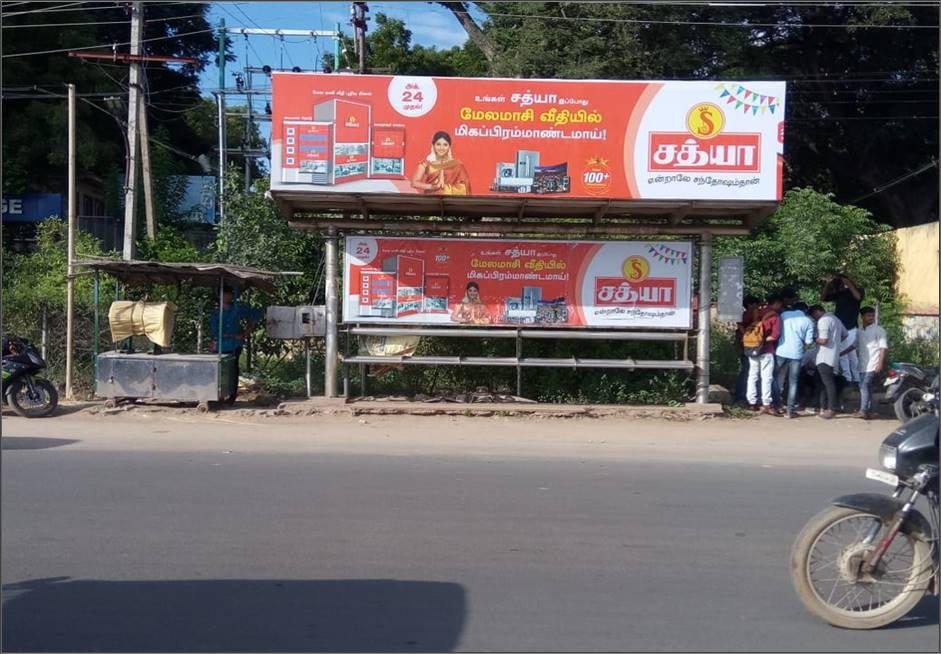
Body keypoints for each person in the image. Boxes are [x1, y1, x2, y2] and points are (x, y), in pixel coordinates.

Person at [209, 287, 262, 403]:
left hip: (233, 345)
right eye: (225, 294)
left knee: (232, 370)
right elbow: (214, 332)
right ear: (220, 296)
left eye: (230, 294)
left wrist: (245, 333)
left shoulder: (237, 309)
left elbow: (256, 315)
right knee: (218, 371)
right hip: (219, 346)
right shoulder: (216, 313)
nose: (229, 297)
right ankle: (218, 395)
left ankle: (231, 397)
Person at [774, 301, 816, 418]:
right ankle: (790, 410)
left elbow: (778, 332)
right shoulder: (808, 321)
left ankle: (776, 405)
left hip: (781, 351)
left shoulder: (784, 315)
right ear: (805, 311)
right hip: (796, 354)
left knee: (778, 378)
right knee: (793, 382)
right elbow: (808, 342)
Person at [821, 273, 864, 385]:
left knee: (851, 354)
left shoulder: (858, 290)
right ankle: (848, 377)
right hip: (841, 327)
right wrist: (828, 284)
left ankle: (855, 377)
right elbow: (823, 298)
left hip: (851, 327)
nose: (839, 284)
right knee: (843, 354)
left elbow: (858, 297)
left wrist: (848, 283)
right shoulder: (839, 293)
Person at [746, 293, 783, 415]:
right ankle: (766, 403)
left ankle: (751, 403)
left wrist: (754, 342)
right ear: (776, 303)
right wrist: (762, 342)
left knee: (752, 376)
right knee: (766, 378)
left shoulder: (755, 312)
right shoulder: (774, 316)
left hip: (751, 348)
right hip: (766, 350)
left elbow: (745, 327)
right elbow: (774, 336)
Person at [809, 304, 848, 419]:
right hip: (833, 355)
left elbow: (823, 340)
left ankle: (831, 409)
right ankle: (823, 408)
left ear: (817, 312)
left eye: (813, 315)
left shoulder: (823, 321)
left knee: (827, 383)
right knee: (824, 383)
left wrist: (813, 338)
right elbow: (845, 335)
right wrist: (835, 342)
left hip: (824, 356)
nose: (814, 318)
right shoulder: (836, 319)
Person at [410, 131, 471, 195]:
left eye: (445, 145)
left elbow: (464, 187)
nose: (441, 148)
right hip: (430, 200)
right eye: (438, 144)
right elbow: (414, 183)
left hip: (449, 201)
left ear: (449, 147)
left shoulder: (457, 164)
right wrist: (432, 187)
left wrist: (445, 189)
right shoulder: (427, 163)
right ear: (433, 146)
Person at [855, 306, 888, 420]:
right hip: (862, 364)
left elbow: (883, 348)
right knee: (867, 388)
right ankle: (870, 411)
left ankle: (863, 410)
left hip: (873, 363)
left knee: (863, 385)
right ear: (862, 317)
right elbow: (855, 346)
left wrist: (880, 363)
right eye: (868, 315)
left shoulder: (879, 330)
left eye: (872, 315)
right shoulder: (859, 329)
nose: (871, 318)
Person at [733, 294, 761, 406]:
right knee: (747, 371)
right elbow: (752, 328)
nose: (758, 306)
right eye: (756, 304)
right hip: (750, 346)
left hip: (743, 345)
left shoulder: (742, 315)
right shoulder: (750, 314)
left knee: (746, 370)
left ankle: (742, 396)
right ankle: (741, 396)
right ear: (750, 304)